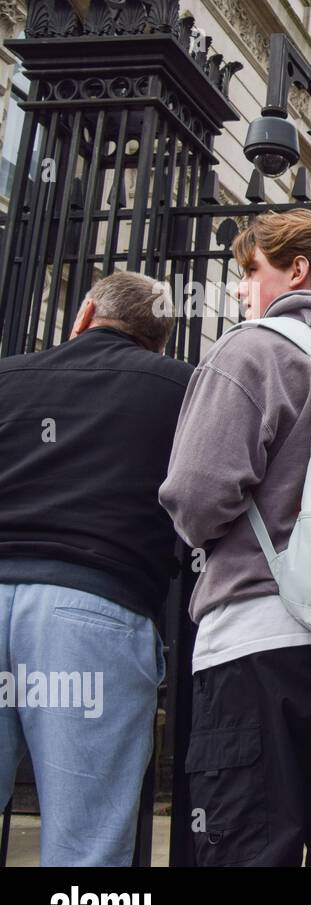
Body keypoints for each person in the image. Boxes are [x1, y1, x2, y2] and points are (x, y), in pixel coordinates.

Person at [160, 209, 311, 866]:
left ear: (297, 271)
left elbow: (197, 495)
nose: (240, 290)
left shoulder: (254, 349)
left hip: (255, 648)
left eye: (250, 272)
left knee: (245, 850)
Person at [0, 272, 191, 866]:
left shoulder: (7, 377)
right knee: (87, 845)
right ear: (159, 339)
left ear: (83, 314)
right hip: (93, 606)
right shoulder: (179, 386)